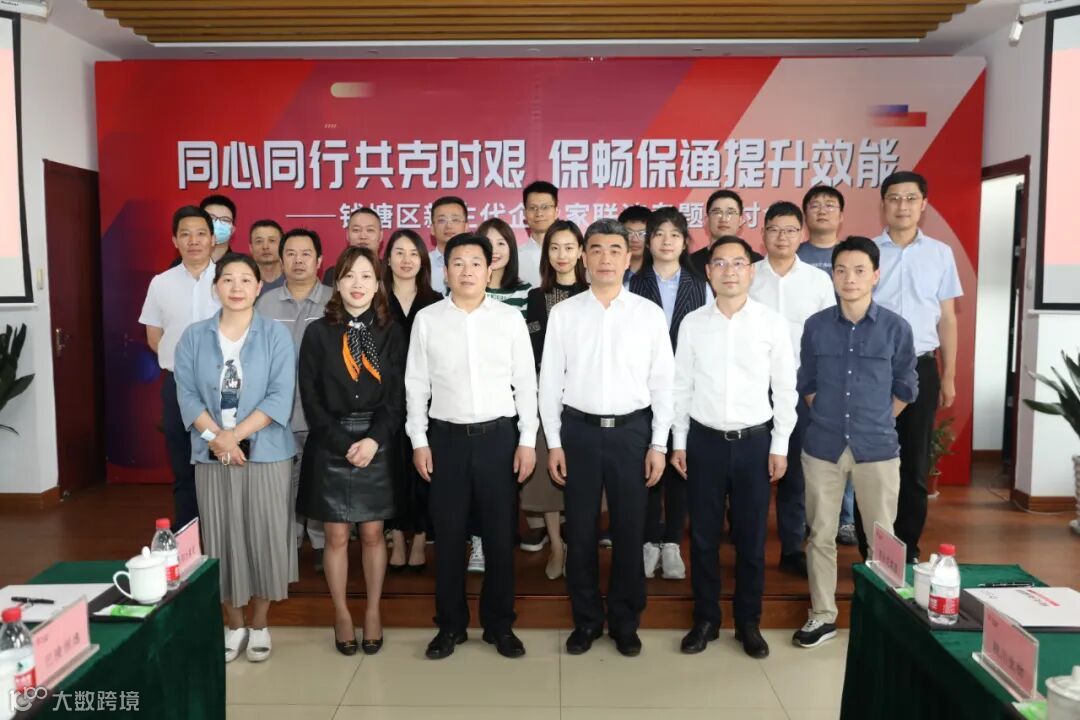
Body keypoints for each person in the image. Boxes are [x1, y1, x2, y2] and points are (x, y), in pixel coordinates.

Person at [539, 218, 674, 657]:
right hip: (578, 432)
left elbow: (663, 384)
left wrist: (658, 445)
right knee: (580, 533)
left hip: (632, 433)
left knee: (630, 532)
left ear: (628, 256)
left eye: (615, 250)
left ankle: (625, 620)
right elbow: (549, 383)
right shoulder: (564, 314)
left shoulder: (648, 314)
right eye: (596, 249)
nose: (605, 259)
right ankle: (585, 621)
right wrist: (554, 442)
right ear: (583, 257)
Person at [405, 233, 537, 660]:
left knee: (499, 538)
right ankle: (450, 626)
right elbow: (415, 384)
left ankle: (500, 625)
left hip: (499, 439)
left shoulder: (509, 318)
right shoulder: (428, 319)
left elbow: (526, 383)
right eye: (457, 263)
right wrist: (419, 440)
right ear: (445, 271)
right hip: (445, 441)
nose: (467, 271)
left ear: (489, 269)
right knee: (448, 539)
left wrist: (527, 440)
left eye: (475, 263)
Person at [672, 236, 797, 658]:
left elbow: (785, 389)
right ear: (708, 272)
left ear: (751, 270)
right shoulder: (693, 323)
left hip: (754, 444)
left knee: (751, 539)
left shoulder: (771, 323)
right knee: (703, 538)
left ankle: (748, 623)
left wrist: (780, 445)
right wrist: (679, 441)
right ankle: (706, 619)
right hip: (703, 441)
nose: (729, 271)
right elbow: (681, 386)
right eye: (720, 263)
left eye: (738, 263)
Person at [792, 236, 917, 649]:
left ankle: (884, 618)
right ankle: (822, 614)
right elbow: (807, 383)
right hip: (823, 447)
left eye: (860, 270)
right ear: (832, 275)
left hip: (876, 449)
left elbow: (906, 387)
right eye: (841, 270)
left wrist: (875, 420)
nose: (850, 278)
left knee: (882, 539)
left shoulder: (896, 328)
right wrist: (833, 417)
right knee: (821, 535)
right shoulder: (816, 326)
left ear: (875, 275)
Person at [173, 253, 298, 664]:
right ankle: (234, 624)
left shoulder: (275, 335)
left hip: (267, 453)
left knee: (265, 536)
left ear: (259, 287)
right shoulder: (194, 336)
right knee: (222, 537)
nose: (237, 287)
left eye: (246, 279)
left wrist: (235, 437)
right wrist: (217, 438)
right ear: (216, 287)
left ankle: (259, 624)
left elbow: (280, 395)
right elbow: (187, 395)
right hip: (212, 455)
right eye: (228, 279)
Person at [297, 246, 406, 656]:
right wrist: (345, 444)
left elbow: (398, 397)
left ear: (378, 284)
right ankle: (341, 612)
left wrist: (374, 439)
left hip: (379, 438)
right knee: (336, 535)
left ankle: (373, 611)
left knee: (374, 533)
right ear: (336, 284)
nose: (357, 284)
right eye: (348, 276)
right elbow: (311, 400)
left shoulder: (392, 331)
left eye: (365, 276)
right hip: (331, 441)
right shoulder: (317, 333)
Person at [871, 171, 962, 563]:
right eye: (894, 198)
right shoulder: (868, 252)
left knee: (914, 461)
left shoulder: (940, 254)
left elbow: (948, 317)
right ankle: (873, 545)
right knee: (872, 461)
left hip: (922, 366)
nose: (902, 206)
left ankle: (906, 548)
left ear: (923, 204)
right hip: (874, 368)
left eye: (910, 198)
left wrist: (949, 374)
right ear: (883, 204)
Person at [749, 201, 836, 579]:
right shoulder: (748, 275)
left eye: (789, 230)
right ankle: (749, 546)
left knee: (794, 473)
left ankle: (791, 548)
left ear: (801, 234)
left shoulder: (818, 281)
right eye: (774, 229)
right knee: (753, 471)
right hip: (753, 388)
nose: (781, 237)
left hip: (801, 389)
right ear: (763, 234)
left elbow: (829, 337)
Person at [629, 207, 711, 581]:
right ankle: (649, 540)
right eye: (659, 234)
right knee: (647, 464)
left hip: (686, 387)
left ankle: (673, 542)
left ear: (684, 242)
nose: (666, 241)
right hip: (643, 388)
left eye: (674, 234)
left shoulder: (700, 284)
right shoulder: (632, 283)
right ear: (648, 241)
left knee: (680, 464)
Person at [139, 205, 221, 530]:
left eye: (201, 233)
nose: (194, 241)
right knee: (183, 465)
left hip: (222, 386)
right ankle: (189, 537)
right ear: (175, 240)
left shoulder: (229, 278)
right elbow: (154, 337)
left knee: (222, 461)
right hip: (177, 385)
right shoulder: (161, 283)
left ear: (213, 239)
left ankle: (222, 535)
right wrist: (185, 366)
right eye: (185, 234)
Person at [255, 228, 331, 574]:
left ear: (319, 260)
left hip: (323, 411)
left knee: (321, 480)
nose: (298, 261)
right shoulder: (265, 303)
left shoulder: (335, 300)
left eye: (306, 254)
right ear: (281, 260)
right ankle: (288, 545)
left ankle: (321, 543)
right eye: (291, 254)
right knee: (283, 484)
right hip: (278, 413)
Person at [523, 220, 588, 579]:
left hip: (583, 395)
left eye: (568, 247)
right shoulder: (537, 297)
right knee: (549, 474)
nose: (561, 255)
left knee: (580, 473)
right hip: (545, 392)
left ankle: (577, 543)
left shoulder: (592, 293)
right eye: (554, 247)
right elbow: (535, 350)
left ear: (581, 252)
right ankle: (557, 546)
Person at [797, 185, 859, 547]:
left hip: (843, 361)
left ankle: (846, 517)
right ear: (805, 215)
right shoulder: (796, 254)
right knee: (810, 445)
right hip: (806, 360)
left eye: (829, 205)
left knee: (843, 439)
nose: (822, 210)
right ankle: (811, 516)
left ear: (841, 214)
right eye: (815, 205)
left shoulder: (850, 254)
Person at [382, 229, 443, 572]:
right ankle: (396, 535)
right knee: (391, 469)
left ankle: (420, 536)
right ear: (388, 258)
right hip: (385, 398)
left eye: (413, 254)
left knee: (423, 469)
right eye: (399, 252)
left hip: (429, 399)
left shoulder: (436, 301)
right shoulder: (374, 298)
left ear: (423, 261)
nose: (406, 260)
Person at [689, 190, 762, 278]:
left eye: (730, 213)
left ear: (740, 220)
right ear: (707, 220)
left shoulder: (757, 262)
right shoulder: (689, 264)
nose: (723, 219)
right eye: (717, 212)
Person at [480, 217, 532, 316]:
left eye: (500, 243)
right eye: (487, 243)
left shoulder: (525, 291)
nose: (494, 250)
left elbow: (533, 325)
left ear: (511, 249)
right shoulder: (467, 287)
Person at [322, 207, 384, 285]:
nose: (363, 236)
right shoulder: (333, 274)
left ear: (380, 236)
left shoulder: (391, 272)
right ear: (347, 235)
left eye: (370, 230)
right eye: (356, 230)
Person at [519, 180, 560, 287]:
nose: (539, 213)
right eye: (532, 208)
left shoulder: (570, 255)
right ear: (525, 213)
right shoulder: (514, 256)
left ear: (556, 212)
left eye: (545, 207)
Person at [427, 196, 469, 295]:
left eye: (455, 220)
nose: (449, 226)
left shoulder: (477, 264)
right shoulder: (422, 264)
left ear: (466, 227)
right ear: (432, 229)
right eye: (442, 220)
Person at [618, 205, 652, 284]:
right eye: (629, 233)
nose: (635, 240)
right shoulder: (610, 269)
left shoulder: (660, 272)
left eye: (642, 234)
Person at [250, 220, 284, 294]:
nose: (265, 247)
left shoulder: (294, 282)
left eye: (272, 241)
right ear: (251, 248)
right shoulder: (243, 284)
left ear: (282, 246)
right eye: (259, 241)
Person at [201, 194, 238, 264]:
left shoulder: (241, 266)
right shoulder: (181, 265)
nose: (217, 224)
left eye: (225, 220)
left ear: (232, 229)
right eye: (211, 218)